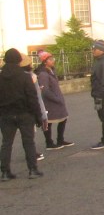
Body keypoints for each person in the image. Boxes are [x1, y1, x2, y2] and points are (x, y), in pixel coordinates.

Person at [0, 49, 46, 180]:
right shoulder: (25, 77)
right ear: (19, 60)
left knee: (6, 143)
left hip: (6, 114)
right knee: (28, 142)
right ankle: (32, 170)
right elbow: (32, 98)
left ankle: (5, 172)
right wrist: (38, 116)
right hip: (25, 113)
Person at [36, 51, 74, 150]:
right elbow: (45, 90)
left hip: (57, 100)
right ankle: (49, 143)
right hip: (50, 102)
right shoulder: (43, 74)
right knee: (48, 122)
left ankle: (60, 140)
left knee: (63, 118)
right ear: (44, 62)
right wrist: (56, 98)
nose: (53, 61)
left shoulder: (51, 70)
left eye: (52, 58)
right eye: (50, 59)